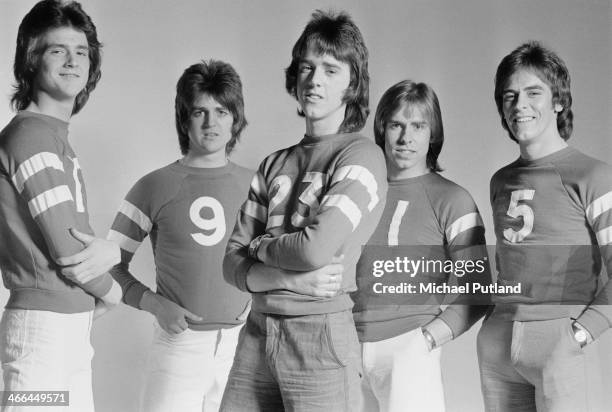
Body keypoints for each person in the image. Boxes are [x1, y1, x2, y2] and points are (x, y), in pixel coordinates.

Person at [220, 10, 387, 412]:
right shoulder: (273, 163)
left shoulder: (361, 156)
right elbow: (228, 263)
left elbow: (314, 249)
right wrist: (288, 280)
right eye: (307, 68)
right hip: (257, 331)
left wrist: (258, 246)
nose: (314, 80)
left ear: (352, 83)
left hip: (320, 334)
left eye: (331, 70)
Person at [106, 60, 253, 412]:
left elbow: (275, 259)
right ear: (184, 118)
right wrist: (155, 304)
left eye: (221, 111)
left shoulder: (257, 185)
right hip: (179, 347)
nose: (211, 122)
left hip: (244, 347)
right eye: (200, 111)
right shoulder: (153, 186)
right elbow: (108, 264)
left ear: (236, 118)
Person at [0, 1, 121, 410]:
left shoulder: (51, 136)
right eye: (58, 51)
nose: (73, 61)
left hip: (66, 330)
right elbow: (69, 250)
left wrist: (108, 254)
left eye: (82, 52)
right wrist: (112, 292)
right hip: (42, 338)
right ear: (32, 60)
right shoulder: (31, 137)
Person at [478, 41, 612, 411]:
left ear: (558, 101)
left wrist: (580, 334)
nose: (519, 105)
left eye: (533, 92)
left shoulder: (593, 175)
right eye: (510, 95)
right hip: (498, 341)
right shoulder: (500, 181)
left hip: (558, 336)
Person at [352, 80, 490, 412]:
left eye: (418, 125)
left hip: (408, 346)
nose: (405, 137)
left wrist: (427, 340)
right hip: (346, 348)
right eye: (397, 125)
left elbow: (479, 288)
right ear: (382, 128)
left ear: (433, 133)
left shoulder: (452, 199)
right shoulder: (358, 189)